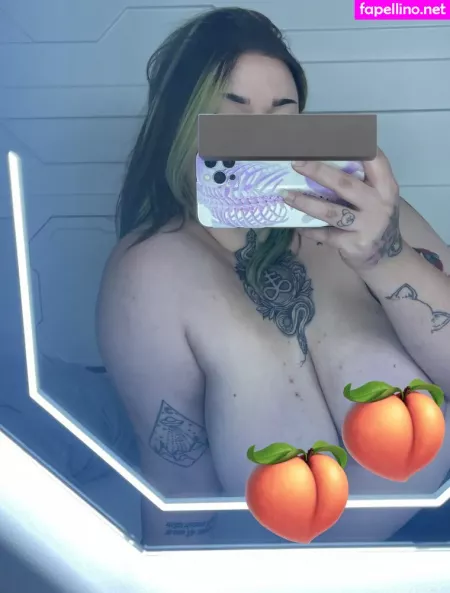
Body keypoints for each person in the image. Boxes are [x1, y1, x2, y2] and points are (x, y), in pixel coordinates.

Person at [96, 7, 450, 546]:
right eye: (232, 111)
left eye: (282, 113)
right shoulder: (152, 273)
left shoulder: (366, 215)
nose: (261, 136)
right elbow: (179, 488)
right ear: (179, 125)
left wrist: (386, 257)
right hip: (296, 572)